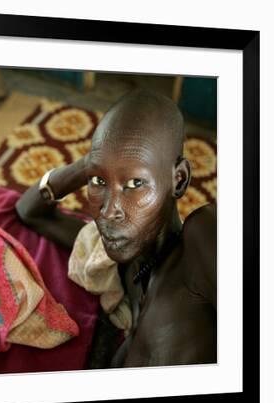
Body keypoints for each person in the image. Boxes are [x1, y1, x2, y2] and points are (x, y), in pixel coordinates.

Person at [16, 89, 216, 367]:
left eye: (135, 184)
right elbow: (30, 212)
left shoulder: (201, 242)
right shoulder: (125, 261)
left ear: (179, 180)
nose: (109, 211)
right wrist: (89, 164)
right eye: (98, 182)